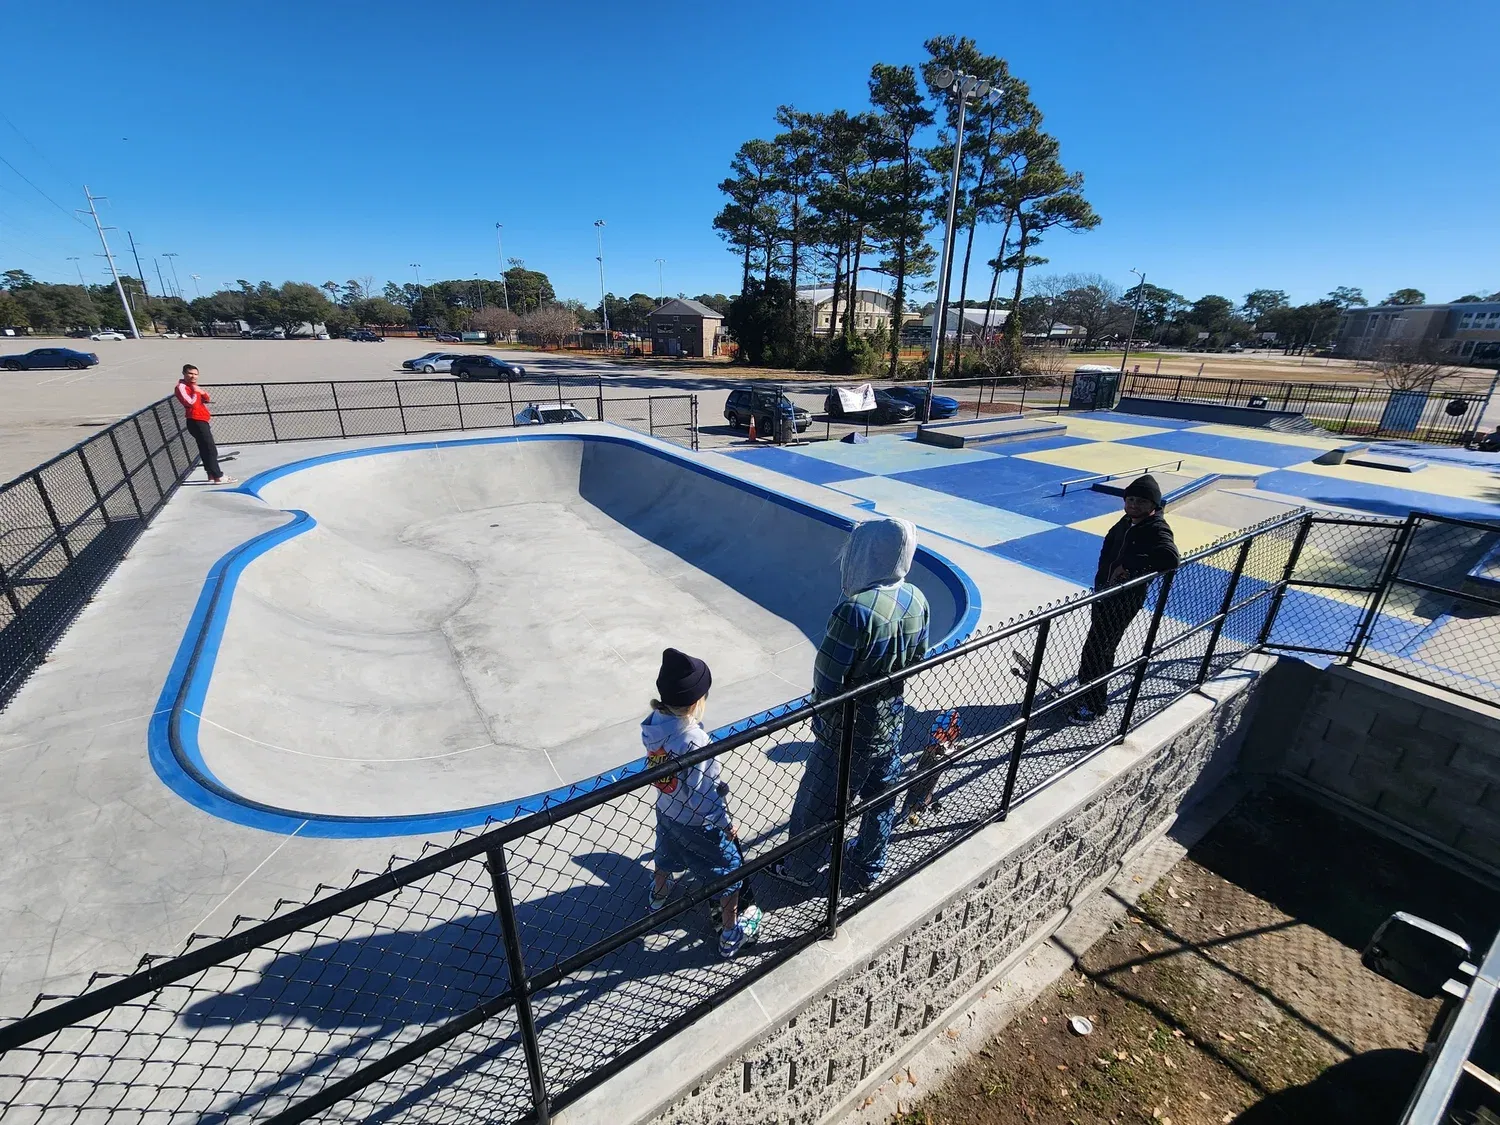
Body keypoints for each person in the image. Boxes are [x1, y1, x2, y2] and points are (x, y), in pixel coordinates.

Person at [772, 518, 930, 893]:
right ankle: (870, 862)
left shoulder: (855, 610)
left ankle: (801, 867)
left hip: (847, 727)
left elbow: (828, 677)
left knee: (819, 802)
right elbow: (920, 655)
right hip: (892, 718)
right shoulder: (917, 599)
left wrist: (823, 721)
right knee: (881, 795)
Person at [641, 647, 763, 959]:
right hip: (699, 823)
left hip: (666, 809)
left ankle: (659, 894)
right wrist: (725, 823)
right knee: (729, 870)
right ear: (697, 701)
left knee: (666, 850)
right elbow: (703, 796)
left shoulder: (654, 725)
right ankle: (730, 932)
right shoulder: (695, 741)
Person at [1070, 475, 1180, 726]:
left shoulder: (1157, 528)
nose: (1133, 505)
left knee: (1100, 650)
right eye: (1130, 499)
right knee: (1094, 647)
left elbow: (1170, 559)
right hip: (1105, 595)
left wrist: (1131, 567)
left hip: (1123, 600)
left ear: (1153, 504)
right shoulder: (1126, 522)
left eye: (1141, 501)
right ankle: (1085, 690)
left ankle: (1094, 704)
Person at [175, 365, 234, 485]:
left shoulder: (193, 386)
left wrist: (200, 391)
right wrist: (197, 392)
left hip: (202, 419)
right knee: (210, 449)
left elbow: (206, 398)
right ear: (184, 373)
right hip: (195, 420)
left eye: (196, 374)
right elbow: (190, 403)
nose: (193, 376)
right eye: (190, 373)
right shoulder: (181, 387)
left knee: (205, 448)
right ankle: (218, 476)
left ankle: (211, 474)